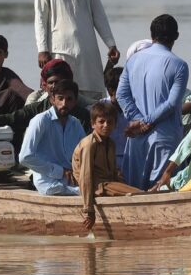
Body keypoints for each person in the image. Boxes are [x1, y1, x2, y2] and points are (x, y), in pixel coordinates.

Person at [34, 0, 120, 99]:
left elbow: (99, 15)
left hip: (88, 52)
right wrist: (42, 50)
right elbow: (40, 17)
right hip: (60, 50)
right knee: (61, 95)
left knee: (92, 97)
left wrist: (111, 44)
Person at [116, 14, 189, 190]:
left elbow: (121, 95)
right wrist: (146, 122)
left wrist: (138, 121)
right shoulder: (179, 65)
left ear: (151, 35)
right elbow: (172, 103)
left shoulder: (133, 60)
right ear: (176, 36)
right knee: (163, 193)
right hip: (165, 138)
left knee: (134, 190)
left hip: (136, 136)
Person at [0, 59, 92, 144]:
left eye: (58, 82)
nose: (54, 87)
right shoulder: (38, 109)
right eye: (50, 83)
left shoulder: (82, 114)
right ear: (45, 85)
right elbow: (12, 118)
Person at [72, 102, 142, 230]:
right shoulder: (89, 144)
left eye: (110, 122)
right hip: (98, 187)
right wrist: (89, 209)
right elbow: (85, 177)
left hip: (108, 184)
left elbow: (114, 172)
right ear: (93, 124)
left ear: (115, 124)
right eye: (101, 122)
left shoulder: (111, 143)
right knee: (139, 194)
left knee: (136, 192)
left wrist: (122, 184)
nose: (106, 125)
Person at [19, 79, 86, 195]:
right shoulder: (40, 120)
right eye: (60, 98)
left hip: (72, 180)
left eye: (69, 99)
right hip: (48, 183)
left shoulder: (76, 124)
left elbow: (85, 153)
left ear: (75, 102)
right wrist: (60, 171)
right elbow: (25, 157)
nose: (64, 103)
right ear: (52, 100)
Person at [101, 65, 128, 168]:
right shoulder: (100, 109)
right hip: (107, 161)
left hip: (132, 160)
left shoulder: (136, 108)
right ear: (110, 91)